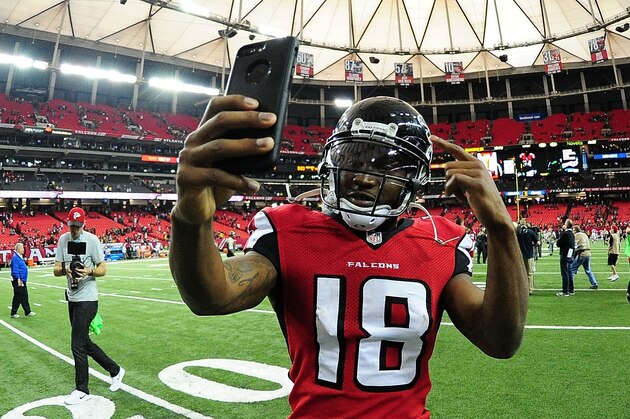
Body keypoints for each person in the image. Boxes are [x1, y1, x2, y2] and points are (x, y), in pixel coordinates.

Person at [169, 95, 528, 417]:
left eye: (383, 164)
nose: (363, 178)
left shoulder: (439, 240)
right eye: (353, 158)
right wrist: (190, 218)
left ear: (414, 178)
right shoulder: (288, 230)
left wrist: (501, 229)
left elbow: (499, 341)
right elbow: (212, 297)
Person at [53, 207, 125, 405]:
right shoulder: (63, 240)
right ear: (67, 224)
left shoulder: (92, 241)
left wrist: (89, 271)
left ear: (83, 225)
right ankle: (116, 370)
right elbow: (56, 269)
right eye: (71, 226)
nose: (74, 230)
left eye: (77, 226)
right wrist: (65, 270)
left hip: (88, 298)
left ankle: (82, 389)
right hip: (72, 297)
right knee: (84, 342)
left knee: (77, 344)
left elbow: (103, 268)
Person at [10, 242, 35, 318]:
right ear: (19, 249)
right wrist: (18, 279)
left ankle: (27, 311)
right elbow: (15, 270)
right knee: (18, 296)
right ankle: (13, 313)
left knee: (24, 296)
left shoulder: (19, 257)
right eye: (22, 248)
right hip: (18, 280)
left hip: (22, 280)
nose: (23, 249)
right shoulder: (15, 258)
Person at [570, 225, 598, 289]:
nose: (572, 231)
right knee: (588, 270)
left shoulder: (576, 235)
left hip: (581, 253)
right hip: (588, 253)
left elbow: (574, 245)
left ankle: (570, 285)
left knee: (572, 270)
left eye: (573, 230)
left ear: (575, 230)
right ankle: (594, 283)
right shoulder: (584, 234)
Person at [515, 220, 539, 295]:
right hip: (529, 255)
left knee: (522, 274)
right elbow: (537, 242)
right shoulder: (530, 232)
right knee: (529, 274)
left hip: (520, 256)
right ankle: (530, 290)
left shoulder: (518, 233)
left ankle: (522, 289)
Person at [556, 218, 575, 297]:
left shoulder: (565, 234)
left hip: (564, 254)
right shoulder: (571, 234)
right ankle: (571, 289)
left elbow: (558, 243)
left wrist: (561, 233)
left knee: (565, 273)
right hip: (569, 254)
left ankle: (565, 291)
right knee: (569, 272)